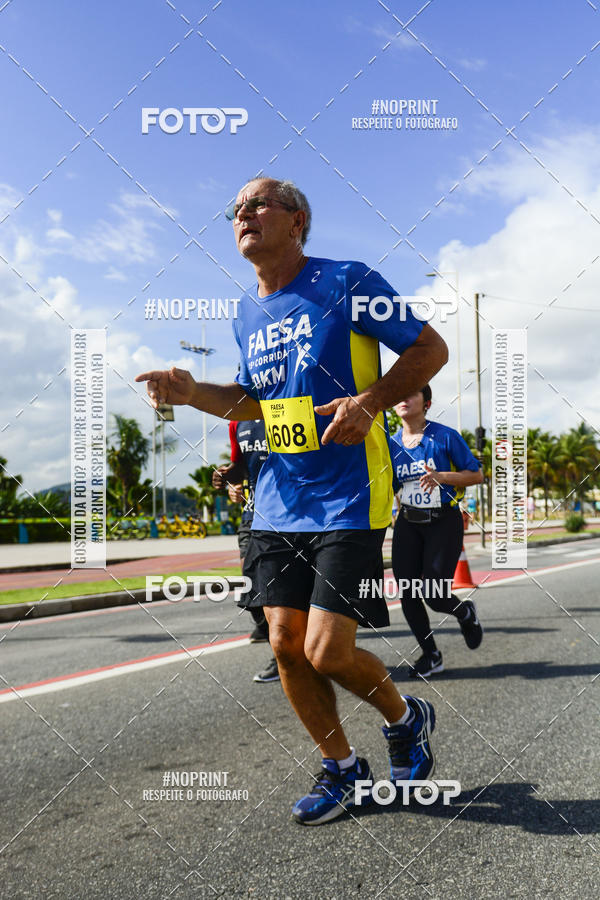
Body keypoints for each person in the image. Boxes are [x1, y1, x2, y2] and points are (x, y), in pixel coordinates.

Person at [136, 177, 448, 825]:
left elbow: (430, 347)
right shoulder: (245, 311)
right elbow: (251, 404)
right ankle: (342, 771)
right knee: (284, 643)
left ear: (297, 220)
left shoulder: (348, 281)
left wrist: (369, 402)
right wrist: (193, 392)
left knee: (327, 651)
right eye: (235, 210)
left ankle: (404, 717)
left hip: (349, 494)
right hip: (278, 497)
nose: (242, 215)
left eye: (257, 204)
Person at [390, 386, 484, 678]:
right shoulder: (389, 444)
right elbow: (392, 485)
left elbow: (476, 474)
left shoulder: (444, 436)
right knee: (407, 593)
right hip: (407, 524)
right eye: (400, 394)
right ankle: (431, 655)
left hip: (443, 521)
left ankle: (465, 613)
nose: (403, 397)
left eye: (412, 393)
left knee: (434, 594)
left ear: (426, 402)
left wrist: (442, 476)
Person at [213, 419, 280, 683]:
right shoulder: (237, 423)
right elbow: (240, 466)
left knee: (277, 593)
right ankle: (278, 645)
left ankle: (283, 658)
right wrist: (227, 476)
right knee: (250, 586)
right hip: (252, 514)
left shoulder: (284, 403)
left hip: (286, 513)